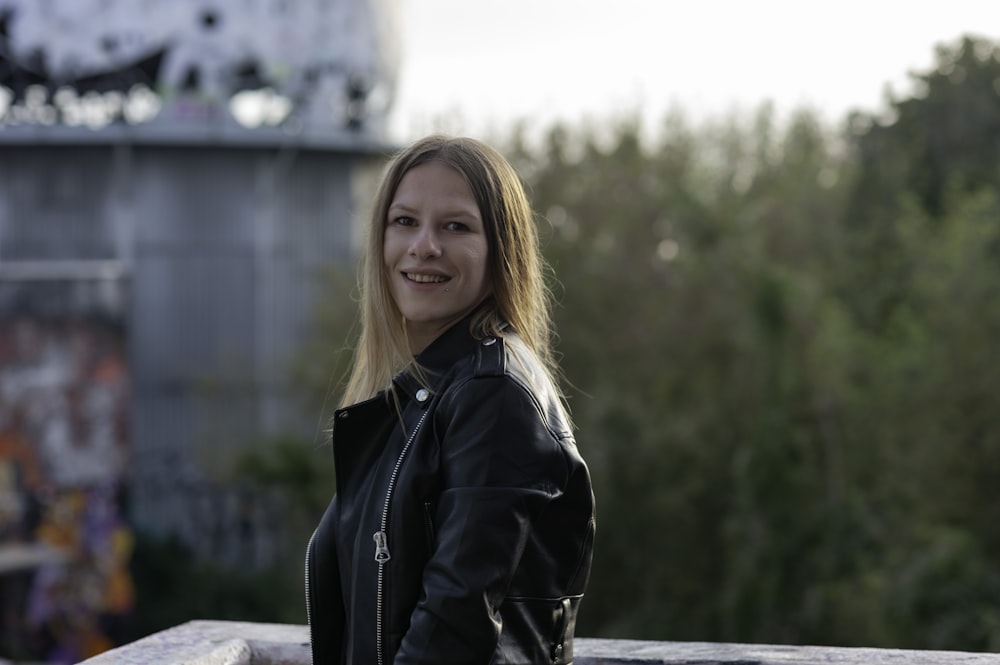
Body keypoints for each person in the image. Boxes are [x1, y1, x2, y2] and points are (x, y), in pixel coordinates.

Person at [306, 135, 596, 665]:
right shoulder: (426, 392)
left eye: (455, 226)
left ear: (500, 250)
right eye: (405, 221)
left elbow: (453, 626)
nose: (424, 246)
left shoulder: (494, 394)